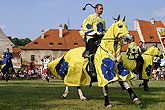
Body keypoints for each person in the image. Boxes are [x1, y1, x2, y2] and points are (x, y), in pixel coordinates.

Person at [80, 3, 106, 72]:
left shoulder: (102, 20)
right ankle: (91, 64)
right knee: (92, 49)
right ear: (96, 9)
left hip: (100, 37)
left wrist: (104, 34)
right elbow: (86, 26)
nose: (102, 10)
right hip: (92, 36)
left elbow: (103, 29)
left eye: (102, 9)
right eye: (100, 9)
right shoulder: (91, 17)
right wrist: (94, 33)